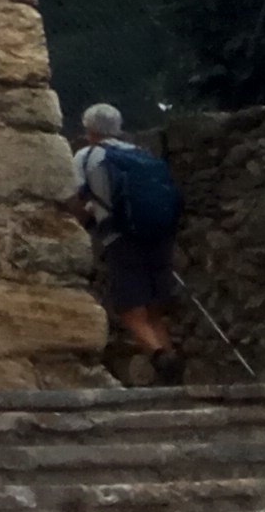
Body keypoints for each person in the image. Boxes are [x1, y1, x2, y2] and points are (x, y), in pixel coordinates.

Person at [69, 103, 184, 384]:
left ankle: (160, 356)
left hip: (120, 238)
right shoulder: (142, 154)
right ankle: (171, 370)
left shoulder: (87, 156)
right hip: (159, 236)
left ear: (89, 128)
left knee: (131, 310)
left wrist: (83, 218)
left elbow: (76, 201)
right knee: (154, 310)